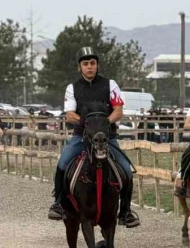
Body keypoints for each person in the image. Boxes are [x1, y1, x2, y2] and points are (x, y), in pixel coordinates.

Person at [47, 47, 140, 228]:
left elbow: (118, 111)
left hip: (107, 138)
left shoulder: (110, 84)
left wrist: (103, 124)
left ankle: (126, 212)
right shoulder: (72, 88)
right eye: (85, 64)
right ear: (79, 67)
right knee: (62, 163)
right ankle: (58, 203)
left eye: (92, 63)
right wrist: (89, 124)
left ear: (97, 65)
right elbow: (70, 115)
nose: (89, 67)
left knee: (127, 171)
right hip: (81, 137)